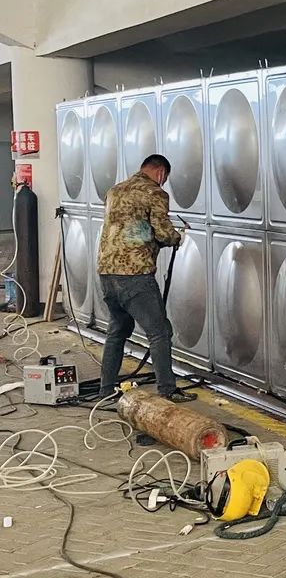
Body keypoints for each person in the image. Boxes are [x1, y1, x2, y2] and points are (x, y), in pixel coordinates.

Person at [96, 154, 195, 402]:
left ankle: (106, 390)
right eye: (165, 178)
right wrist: (178, 236)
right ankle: (167, 390)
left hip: (107, 273)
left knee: (118, 330)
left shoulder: (114, 191)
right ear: (161, 173)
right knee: (159, 332)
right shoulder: (155, 193)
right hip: (135, 276)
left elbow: (132, 229)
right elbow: (163, 233)